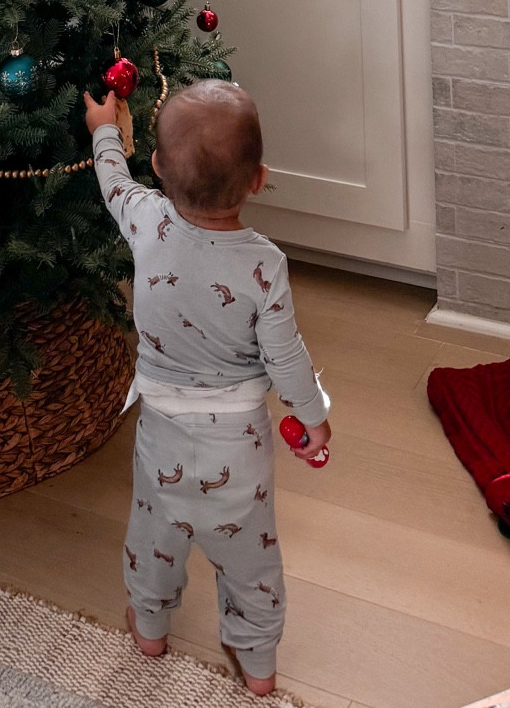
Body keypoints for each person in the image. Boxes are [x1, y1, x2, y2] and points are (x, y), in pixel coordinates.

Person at [83, 79, 331, 697]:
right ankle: (258, 668)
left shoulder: (146, 221)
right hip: (238, 449)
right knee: (253, 560)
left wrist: (104, 129)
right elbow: (287, 358)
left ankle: (149, 632)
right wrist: (314, 416)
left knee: (153, 536)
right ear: (258, 178)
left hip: (160, 434)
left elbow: (113, 182)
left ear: (161, 167)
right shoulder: (264, 265)